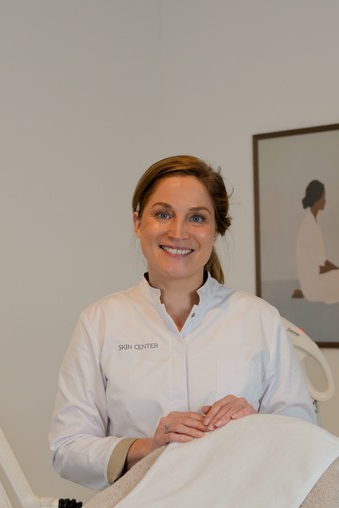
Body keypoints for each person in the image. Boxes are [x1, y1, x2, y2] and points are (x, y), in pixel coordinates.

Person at [49, 155, 317, 490]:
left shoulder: (259, 319)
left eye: (197, 218)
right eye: (163, 214)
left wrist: (255, 425)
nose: (178, 232)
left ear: (216, 230)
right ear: (138, 223)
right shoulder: (100, 322)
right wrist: (148, 447)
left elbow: (305, 439)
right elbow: (67, 448)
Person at [294, 179, 339, 304]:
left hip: (313, 278)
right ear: (317, 199)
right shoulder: (308, 226)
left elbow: (321, 260)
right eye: (323, 197)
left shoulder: (312, 222)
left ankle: (308, 292)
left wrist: (337, 270)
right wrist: (338, 271)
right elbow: (320, 264)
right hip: (312, 281)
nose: (325, 200)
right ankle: (310, 293)